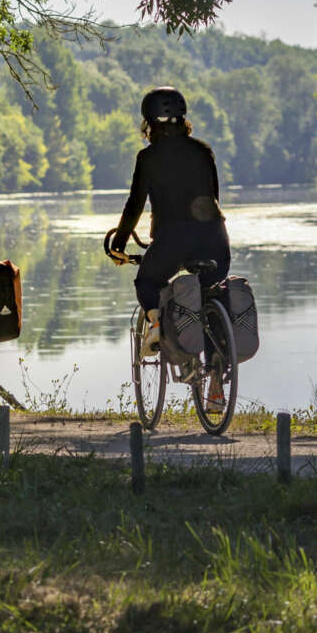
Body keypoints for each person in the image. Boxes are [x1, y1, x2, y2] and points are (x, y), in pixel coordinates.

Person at [109, 87, 230, 411]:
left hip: (173, 239)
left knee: (147, 283)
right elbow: (213, 197)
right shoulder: (203, 150)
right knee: (209, 295)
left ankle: (157, 325)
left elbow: (135, 204)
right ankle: (216, 384)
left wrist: (119, 241)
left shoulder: (148, 157)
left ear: (148, 123)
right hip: (216, 239)